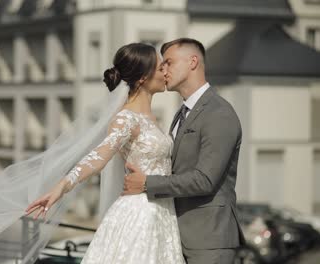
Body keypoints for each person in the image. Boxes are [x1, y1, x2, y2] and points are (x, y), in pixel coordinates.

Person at [26, 43, 185, 263]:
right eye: (160, 68)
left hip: (163, 214)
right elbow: (99, 156)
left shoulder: (151, 118)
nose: (166, 72)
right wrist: (61, 187)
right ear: (142, 78)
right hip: (141, 215)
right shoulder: (126, 118)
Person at [122, 38, 245, 264]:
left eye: (168, 63)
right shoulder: (183, 112)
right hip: (175, 236)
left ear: (193, 62)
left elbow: (204, 180)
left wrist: (148, 183)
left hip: (209, 240)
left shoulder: (219, 113)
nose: (163, 70)